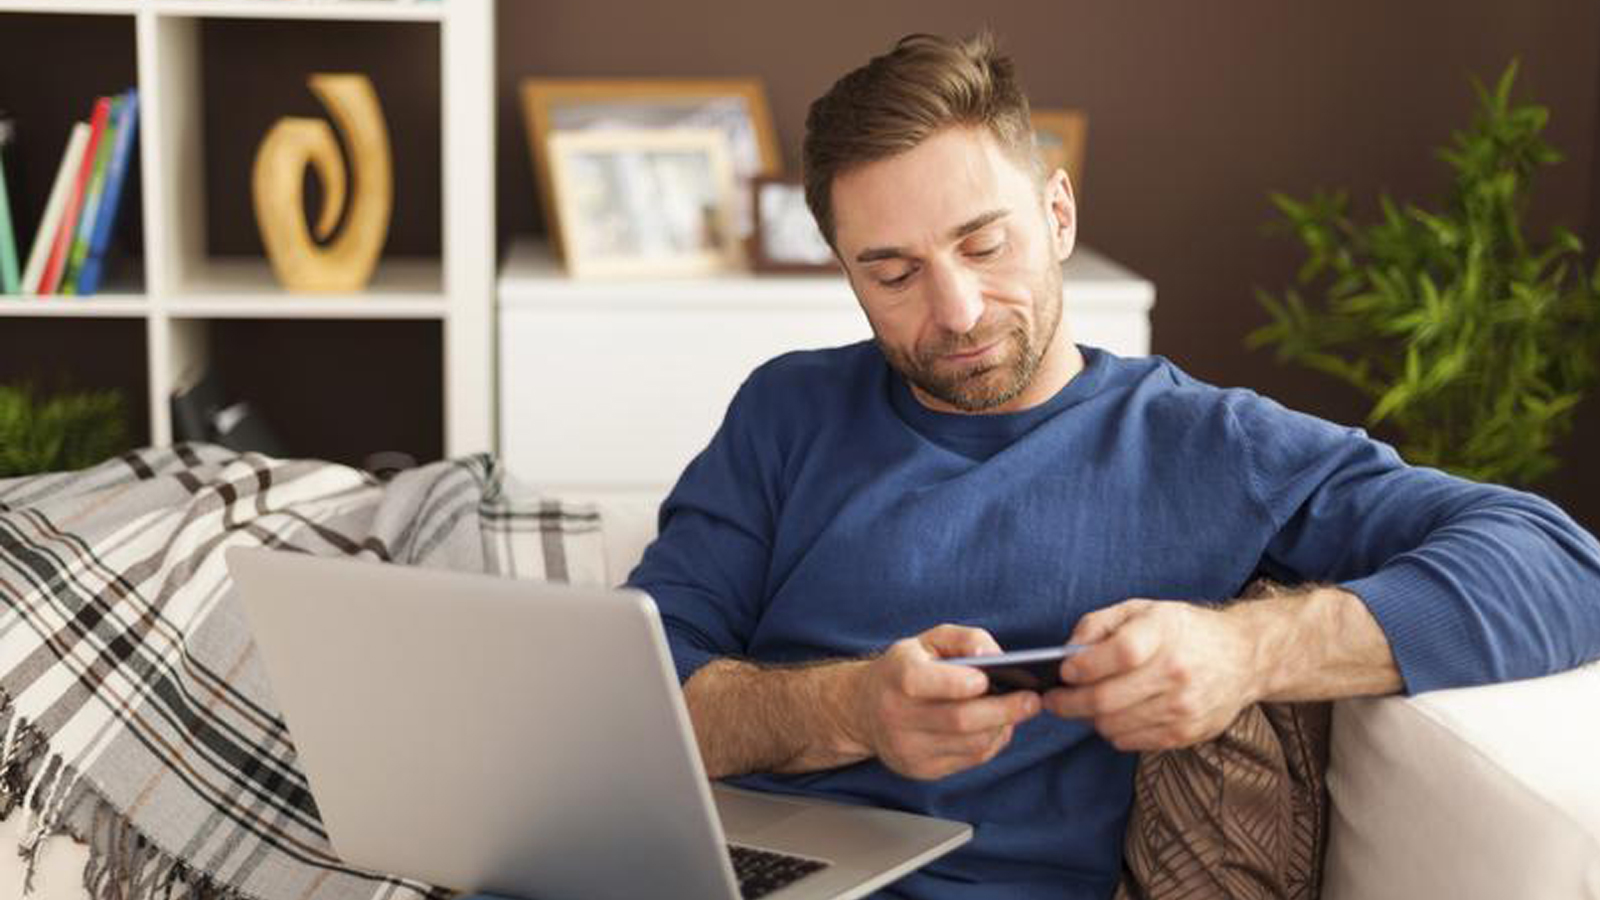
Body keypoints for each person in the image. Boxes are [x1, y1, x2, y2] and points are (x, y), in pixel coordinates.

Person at [617, 31, 1600, 900]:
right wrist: (851, 709)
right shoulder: (787, 409)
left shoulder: (1209, 444)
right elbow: (638, 694)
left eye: (984, 243)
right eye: (893, 272)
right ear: (846, 272)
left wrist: (1241, 651)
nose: (954, 309)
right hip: (710, 866)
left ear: (1057, 215)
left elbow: (1562, 566)